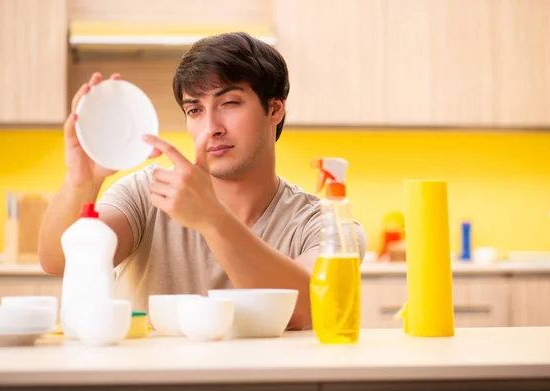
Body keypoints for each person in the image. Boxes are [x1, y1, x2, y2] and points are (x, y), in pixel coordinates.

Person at [38, 32, 367, 330]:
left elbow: (310, 310)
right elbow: (57, 259)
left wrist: (211, 217)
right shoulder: (147, 192)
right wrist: (80, 181)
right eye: (195, 110)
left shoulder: (325, 223)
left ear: (275, 109)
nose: (211, 126)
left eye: (229, 103)